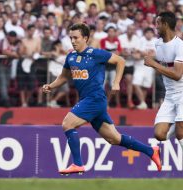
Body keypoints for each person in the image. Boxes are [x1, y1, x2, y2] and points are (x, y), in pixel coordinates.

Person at [43, 23, 161, 175]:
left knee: (67, 124)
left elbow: (120, 61)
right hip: (88, 101)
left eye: (76, 37)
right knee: (114, 138)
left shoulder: (96, 53)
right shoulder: (71, 56)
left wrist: (116, 82)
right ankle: (151, 151)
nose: (73, 41)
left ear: (85, 38)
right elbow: (64, 77)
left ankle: (78, 164)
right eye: (71, 37)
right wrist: (51, 86)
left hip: (95, 99)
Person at [144, 11, 183, 150]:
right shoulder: (158, 44)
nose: (156, 27)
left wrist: (153, 64)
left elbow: (177, 74)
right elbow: (164, 66)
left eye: (158, 23)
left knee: (180, 133)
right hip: (170, 96)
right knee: (159, 134)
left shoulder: (180, 46)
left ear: (165, 25)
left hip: (182, 93)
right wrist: (153, 61)